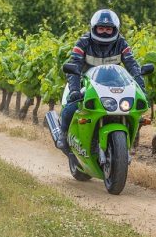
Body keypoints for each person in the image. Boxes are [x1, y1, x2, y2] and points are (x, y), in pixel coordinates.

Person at [57, 8, 145, 151]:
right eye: (101, 28)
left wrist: (141, 87)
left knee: (132, 109)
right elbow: (74, 65)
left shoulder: (121, 43)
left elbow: (132, 65)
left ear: (115, 29)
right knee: (72, 105)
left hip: (113, 82)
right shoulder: (83, 42)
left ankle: (126, 143)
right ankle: (63, 133)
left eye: (108, 29)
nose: (104, 31)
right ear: (94, 28)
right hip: (86, 82)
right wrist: (74, 90)